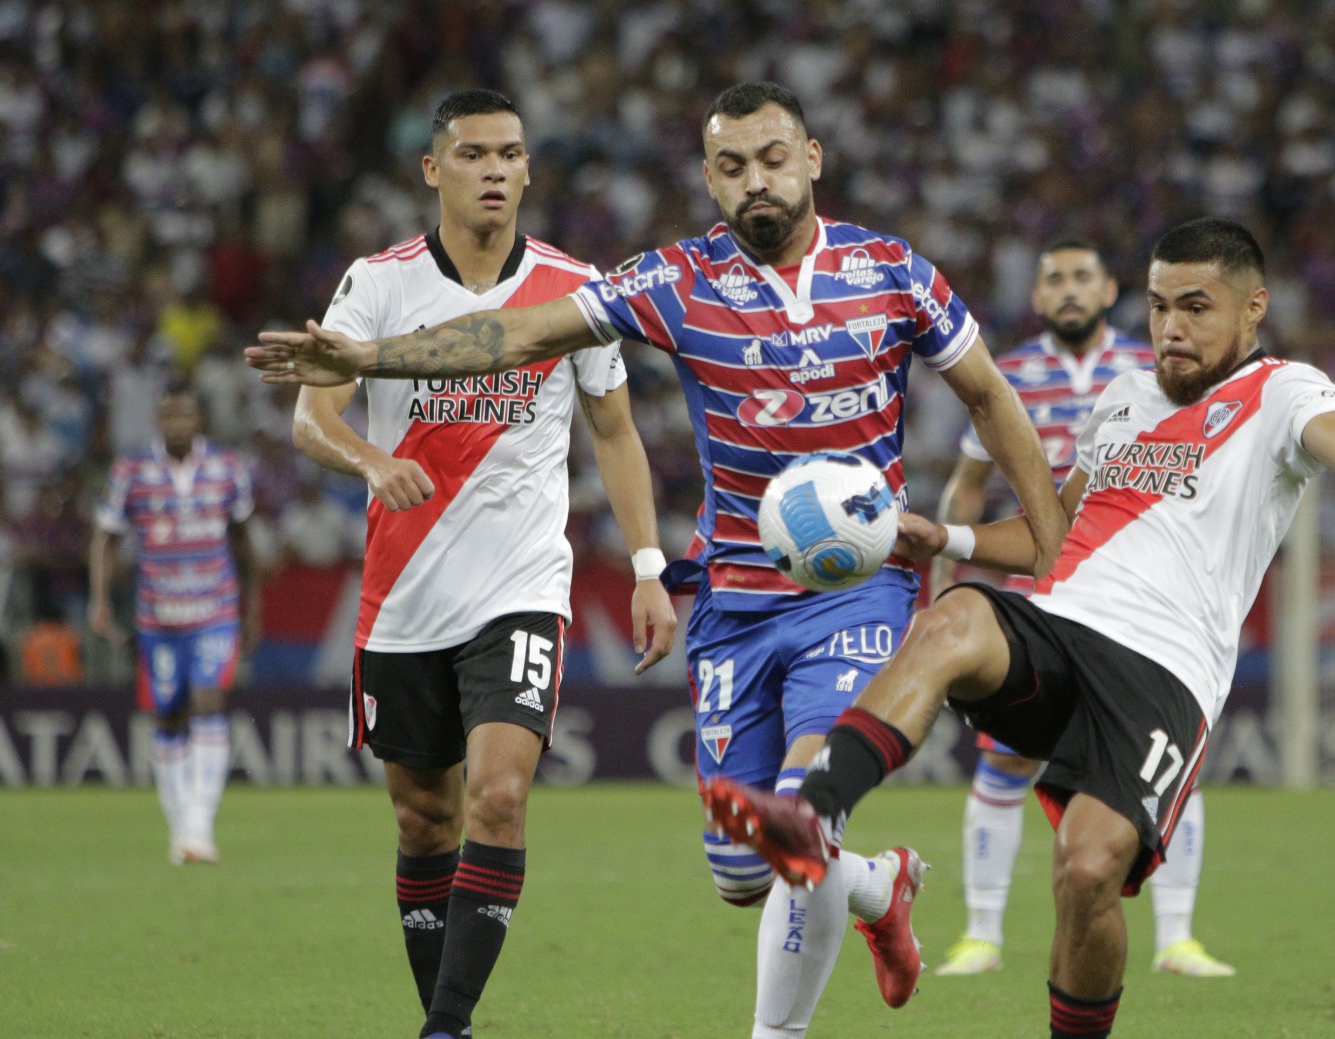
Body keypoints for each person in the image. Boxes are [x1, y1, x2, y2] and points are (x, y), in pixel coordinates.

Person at [249, 80, 1066, 1038]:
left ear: (812, 160)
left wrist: (1052, 545)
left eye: (771, 158)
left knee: (805, 811)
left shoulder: (893, 272)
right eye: (730, 166)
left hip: (858, 592)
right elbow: (518, 331)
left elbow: (989, 397)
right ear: (709, 181)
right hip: (732, 603)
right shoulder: (674, 280)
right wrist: (367, 361)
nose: (754, 180)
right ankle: (879, 891)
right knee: (740, 873)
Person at [701, 218, 1335, 1039]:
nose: (1172, 328)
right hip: (1062, 623)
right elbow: (1052, 534)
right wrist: (945, 537)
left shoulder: (1282, 392)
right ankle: (818, 815)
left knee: (1087, 872)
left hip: (1165, 671)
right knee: (954, 618)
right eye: (1160, 306)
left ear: (1252, 308)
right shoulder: (1124, 397)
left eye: (1197, 307)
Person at [279, 89, 679, 1039]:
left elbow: (615, 432)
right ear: (434, 170)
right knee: (426, 823)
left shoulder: (575, 288)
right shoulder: (377, 284)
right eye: (473, 154)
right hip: (404, 596)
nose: (495, 170)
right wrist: (374, 461)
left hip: (522, 588)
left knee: (499, 797)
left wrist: (649, 565)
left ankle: (445, 1029)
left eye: (511, 154)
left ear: (530, 168)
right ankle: (443, 1018)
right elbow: (310, 416)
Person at [930, 239, 1232, 979]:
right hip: (1040, 595)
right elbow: (969, 487)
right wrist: (945, 576)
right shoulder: (1012, 375)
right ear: (1036, 298)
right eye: (1054, 279)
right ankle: (981, 934)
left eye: (1082, 278)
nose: (1068, 290)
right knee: (1005, 761)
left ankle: (1178, 938)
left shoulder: (1157, 370)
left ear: (1109, 292)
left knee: (1156, 769)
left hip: (1144, 605)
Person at [89, 382, 260, 864]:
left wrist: (253, 610)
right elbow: (105, 538)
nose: (177, 424)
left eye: (185, 415)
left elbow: (245, 542)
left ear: (199, 418)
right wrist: (100, 600)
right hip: (159, 617)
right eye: (168, 416)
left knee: (208, 700)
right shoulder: (133, 472)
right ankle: (181, 824)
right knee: (167, 714)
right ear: (157, 421)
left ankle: (200, 825)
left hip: (214, 609)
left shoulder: (228, 469)